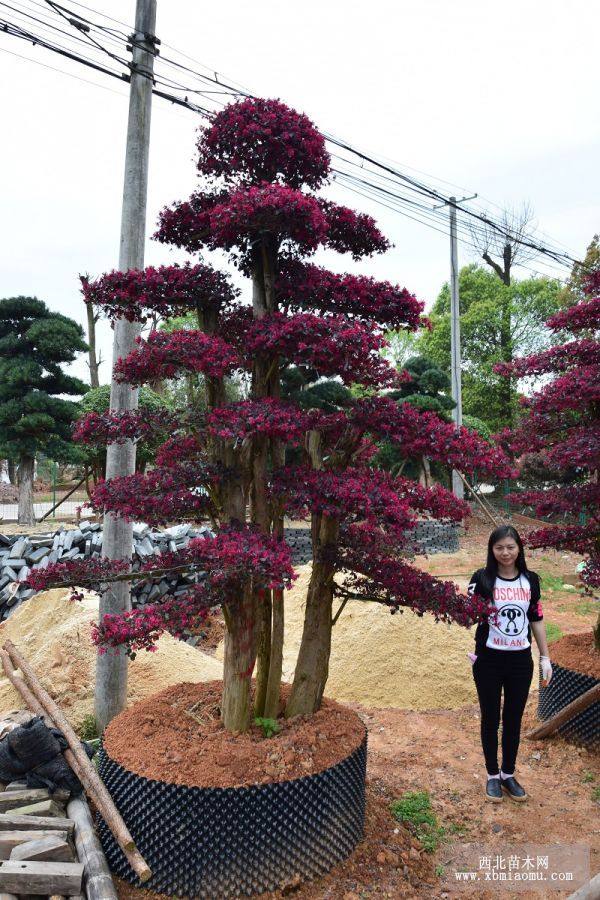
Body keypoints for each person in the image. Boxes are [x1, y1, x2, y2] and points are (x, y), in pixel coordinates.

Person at [468, 525, 552, 803]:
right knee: (491, 717)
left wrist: (545, 656)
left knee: (513, 718)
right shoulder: (482, 579)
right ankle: (492, 775)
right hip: (489, 660)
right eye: (499, 547)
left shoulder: (531, 581)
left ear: (519, 549)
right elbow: (467, 616)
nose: (505, 553)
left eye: (510, 547)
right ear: (492, 550)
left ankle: (508, 773)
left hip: (519, 661)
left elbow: (536, 619)